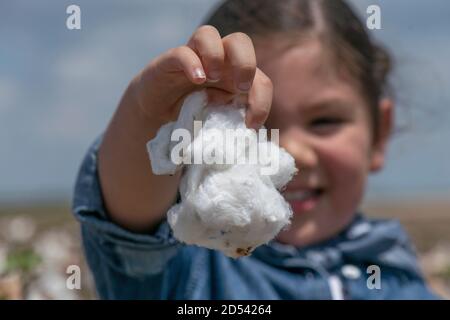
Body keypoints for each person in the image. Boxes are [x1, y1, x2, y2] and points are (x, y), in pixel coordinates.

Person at [72, 0, 438, 299]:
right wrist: (151, 119)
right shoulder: (193, 273)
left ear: (379, 134)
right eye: (257, 124)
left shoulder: (397, 274)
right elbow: (130, 233)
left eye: (324, 121)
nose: (292, 152)